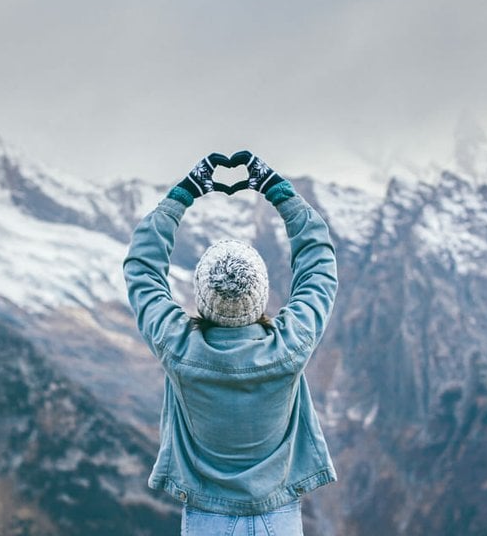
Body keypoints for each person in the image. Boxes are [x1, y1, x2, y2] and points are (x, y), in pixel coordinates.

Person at [123, 151, 338, 535]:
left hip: (207, 519)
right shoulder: (290, 346)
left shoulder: (178, 348)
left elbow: (141, 267)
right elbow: (319, 263)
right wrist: (276, 188)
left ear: (202, 297)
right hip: (281, 518)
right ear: (261, 295)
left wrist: (184, 193)